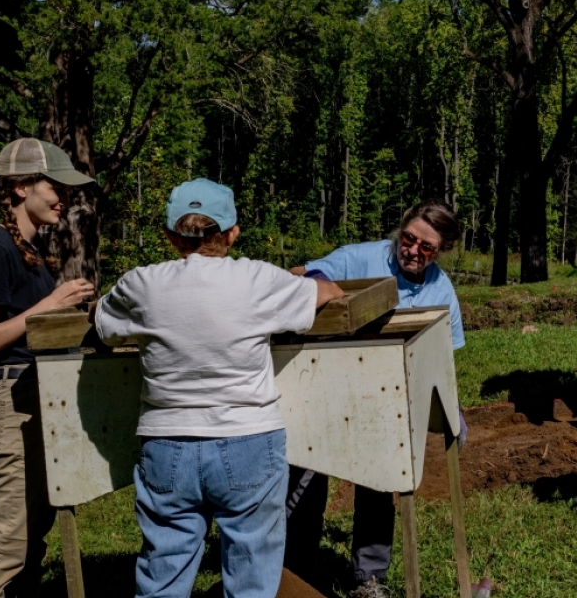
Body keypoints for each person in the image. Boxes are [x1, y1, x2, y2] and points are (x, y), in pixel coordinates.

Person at [95, 178, 344, 598]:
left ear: (170, 236)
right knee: (251, 575)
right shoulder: (258, 279)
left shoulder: (141, 284)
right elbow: (327, 292)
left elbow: (103, 322)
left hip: (167, 442)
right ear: (232, 233)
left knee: (162, 576)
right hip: (247, 437)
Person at [283, 202, 465, 598]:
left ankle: (368, 579)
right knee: (305, 480)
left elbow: (442, 358)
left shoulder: (441, 290)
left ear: (442, 251)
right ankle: (294, 576)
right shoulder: (359, 258)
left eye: (427, 247)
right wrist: (319, 281)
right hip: (325, 387)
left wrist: (451, 407)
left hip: (386, 399)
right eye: (409, 238)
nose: (413, 250)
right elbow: (300, 276)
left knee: (380, 484)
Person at [0, 138, 96, 598]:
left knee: (34, 524)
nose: (63, 195)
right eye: (53, 184)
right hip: (11, 401)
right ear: (20, 187)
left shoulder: (32, 252)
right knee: (9, 534)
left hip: (39, 396)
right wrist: (50, 304)